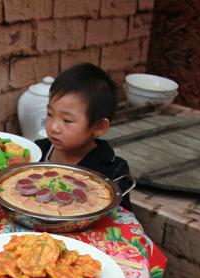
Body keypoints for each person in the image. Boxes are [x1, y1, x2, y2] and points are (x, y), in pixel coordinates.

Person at [35, 63, 132, 209]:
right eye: (50, 114)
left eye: (67, 120)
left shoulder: (112, 171)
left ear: (99, 127)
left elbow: (120, 218)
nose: (53, 127)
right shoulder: (39, 151)